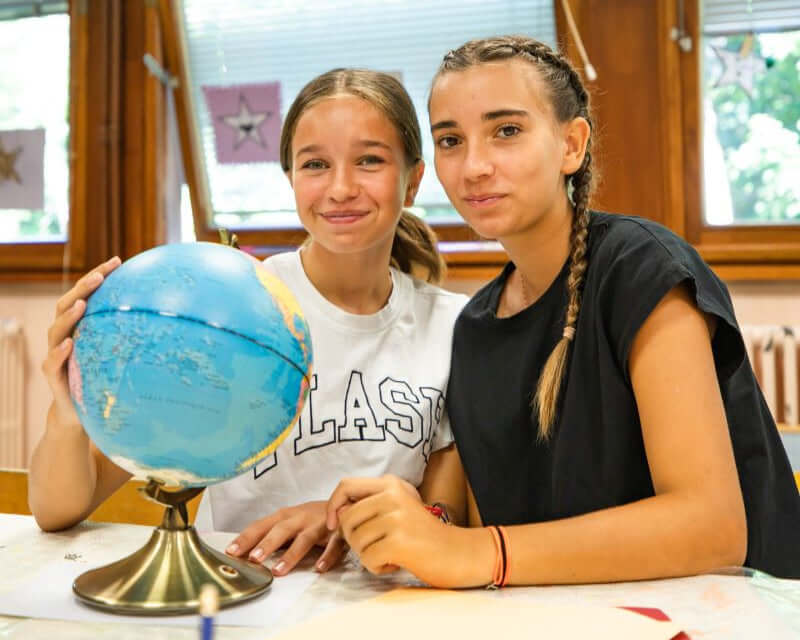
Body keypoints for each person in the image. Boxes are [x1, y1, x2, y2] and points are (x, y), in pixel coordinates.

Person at [326, 35, 800, 587]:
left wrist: (479, 554)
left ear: (571, 145)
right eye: (451, 140)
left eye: (506, 131)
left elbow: (713, 527)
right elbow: (483, 520)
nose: (474, 165)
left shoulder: (640, 268)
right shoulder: (475, 327)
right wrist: (397, 525)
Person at [29, 68, 468, 577]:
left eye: (370, 160)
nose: (341, 187)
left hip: (382, 599)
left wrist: (345, 521)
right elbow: (56, 511)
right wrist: (68, 407)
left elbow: (446, 513)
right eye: (315, 164)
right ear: (291, 179)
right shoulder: (226, 310)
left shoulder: (453, 324)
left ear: (412, 180)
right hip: (239, 596)